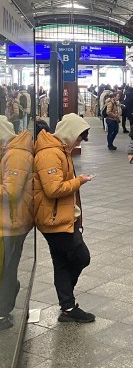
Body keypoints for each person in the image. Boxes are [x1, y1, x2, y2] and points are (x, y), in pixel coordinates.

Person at [34, 113, 95, 323]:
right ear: (70, 133)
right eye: (78, 138)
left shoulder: (61, 150)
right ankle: (67, 303)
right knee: (81, 257)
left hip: (59, 216)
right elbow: (53, 189)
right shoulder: (51, 153)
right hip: (55, 220)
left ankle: (68, 307)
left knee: (61, 263)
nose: (79, 142)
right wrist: (79, 181)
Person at [0, 115, 33, 330]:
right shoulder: (10, 152)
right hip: (9, 221)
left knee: (6, 270)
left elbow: (10, 191)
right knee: (6, 269)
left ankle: (2, 312)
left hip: (11, 224)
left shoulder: (16, 155)